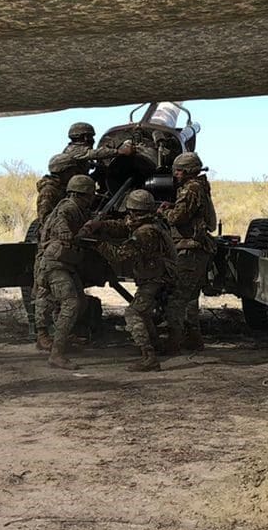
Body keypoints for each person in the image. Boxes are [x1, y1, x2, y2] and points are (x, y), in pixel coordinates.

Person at [83, 189, 176, 372]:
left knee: (133, 313)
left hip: (156, 279)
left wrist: (96, 243)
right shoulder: (151, 222)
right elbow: (122, 226)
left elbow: (119, 255)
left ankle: (149, 357)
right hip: (158, 276)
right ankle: (156, 345)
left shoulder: (145, 233)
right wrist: (100, 225)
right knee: (143, 313)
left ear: (133, 210)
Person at [35, 174, 98, 369]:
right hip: (56, 263)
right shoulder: (67, 208)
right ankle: (57, 354)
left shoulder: (76, 208)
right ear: (83, 194)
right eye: (90, 195)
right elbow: (64, 231)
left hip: (65, 263)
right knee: (71, 303)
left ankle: (63, 337)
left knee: (81, 302)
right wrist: (85, 231)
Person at [159, 151, 216, 352]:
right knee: (190, 298)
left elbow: (176, 218)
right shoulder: (199, 186)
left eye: (179, 171)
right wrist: (174, 206)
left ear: (188, 171)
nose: (176, 174)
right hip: (197, 250)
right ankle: (193, 339)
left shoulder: (191, 189)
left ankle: (173, 342)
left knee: (177, 297)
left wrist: (164, 211)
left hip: (189, 250)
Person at [29, 152, 77, 351]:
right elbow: (46, 219)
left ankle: (59, 333)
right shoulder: (50, 191)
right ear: (64, 171)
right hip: (48, 244)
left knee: (57, 294)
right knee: (44, 292)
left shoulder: (61, 189)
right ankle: (42, 335)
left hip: (55, 243)